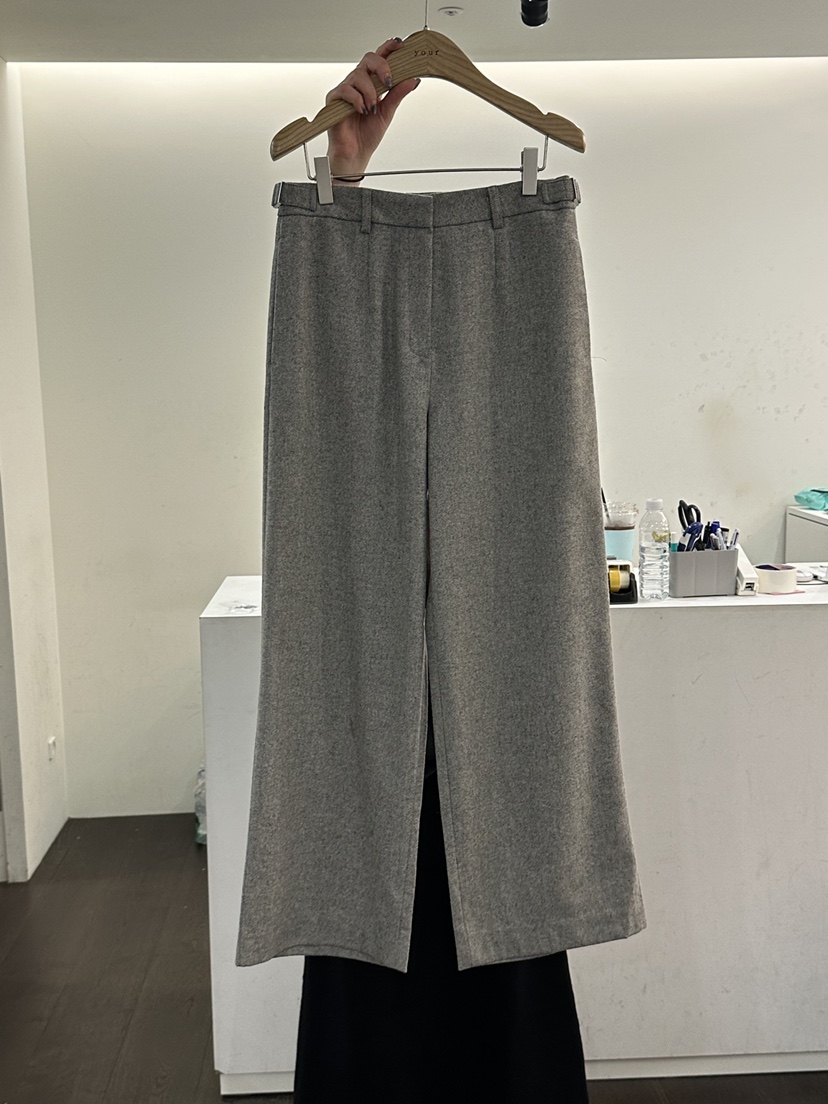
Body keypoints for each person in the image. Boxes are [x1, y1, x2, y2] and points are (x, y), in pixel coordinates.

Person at [290, 40, 592, 1104]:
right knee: (358, 817)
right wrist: (343, 177)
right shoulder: (332, 254)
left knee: (512, 807)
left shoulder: (533, 234)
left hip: (521, 258)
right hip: (379, 802)